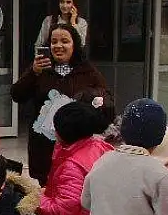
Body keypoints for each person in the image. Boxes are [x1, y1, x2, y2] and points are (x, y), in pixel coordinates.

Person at [11, 24, 109, 185]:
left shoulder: (87, 71)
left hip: (77, 146)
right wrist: (33, 73)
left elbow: (105, 99)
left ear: (75, 45)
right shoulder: (41, 69)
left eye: (65, 41)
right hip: (44, 147)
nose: (58, 46)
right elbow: (17, 95)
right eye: (54, 42)